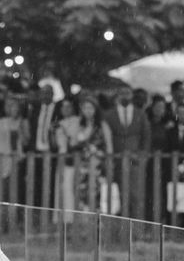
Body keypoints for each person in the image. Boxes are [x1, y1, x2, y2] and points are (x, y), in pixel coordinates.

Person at [57, 97, 113, 214]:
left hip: (97, 165)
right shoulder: (80, 124)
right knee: (81, 192)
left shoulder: (102, 125)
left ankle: (97, 222)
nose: (88, 111)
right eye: (85, 108)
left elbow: (109, 145)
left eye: (90, 108)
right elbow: (74, 142)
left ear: (95, 109)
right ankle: (84, 222)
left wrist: (108, 161)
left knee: (96, 193)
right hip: (82, 165)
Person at [103, 85, 151, 219]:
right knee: (119, 194)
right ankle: (121, 228)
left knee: (136, 194)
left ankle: (137, 228)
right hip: (116, 160)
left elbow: (146, 136)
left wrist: (143, 155)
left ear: (131, 95)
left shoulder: (140, 114)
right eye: (122, 93)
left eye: (127, 93)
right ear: (117, 95)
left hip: (135, 160)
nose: (125, 96)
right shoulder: (108, 115)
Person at [0, 97, 29, 202]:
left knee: (15, 191)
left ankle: (12, 214)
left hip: (17, 162)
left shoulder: (23, 122)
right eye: (12, 107)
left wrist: (20, 131)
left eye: (17, 107)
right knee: (1, 190)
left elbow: (26, 142)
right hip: (2, 161)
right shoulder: (0, 122)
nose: (14, 110)